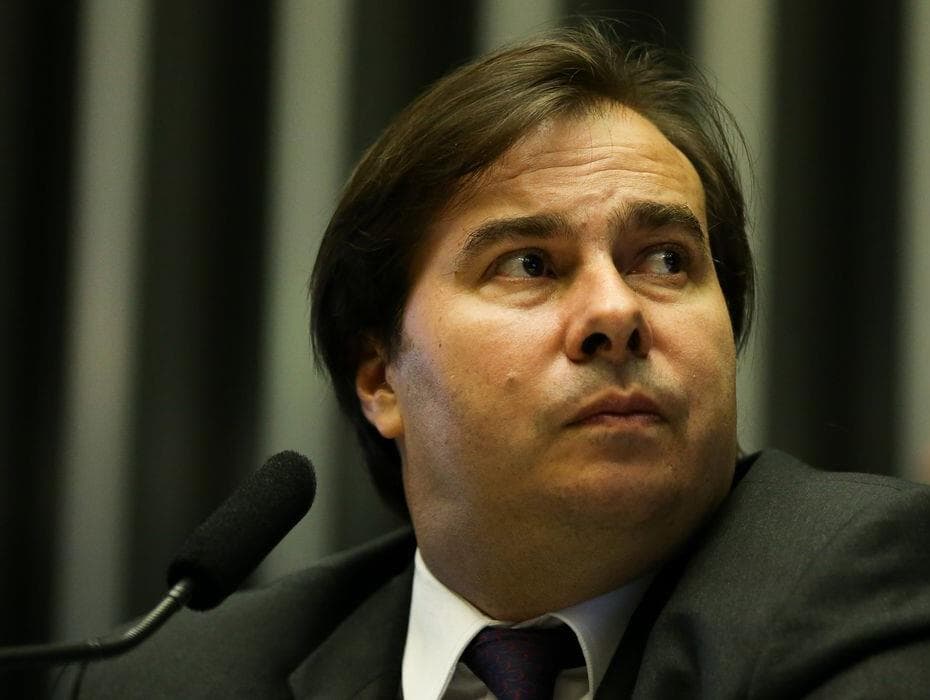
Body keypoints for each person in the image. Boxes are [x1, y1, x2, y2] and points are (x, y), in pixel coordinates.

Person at [72, 20, 930, 699]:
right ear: (380, 378)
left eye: (666, 259)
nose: (617, 312)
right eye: (528, 265)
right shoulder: (169, 678)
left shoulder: (863, 588)